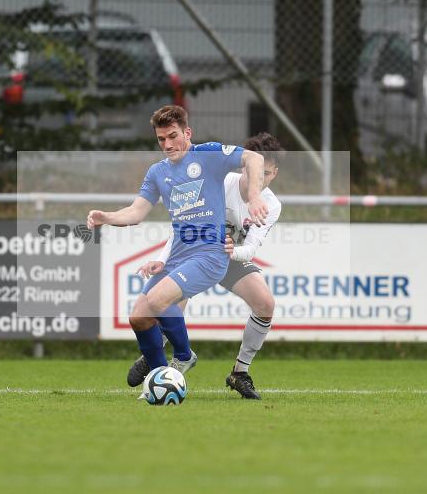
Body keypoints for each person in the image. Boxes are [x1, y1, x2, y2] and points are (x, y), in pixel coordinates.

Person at [87, 105, 268, 385]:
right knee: (139, 316)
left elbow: (254, 158)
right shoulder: (157, 172)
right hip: (178, 255)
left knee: (158, 301)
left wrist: (254, 196)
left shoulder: (207, 155)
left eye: (173, 136)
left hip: (210, 253)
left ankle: (183, 356)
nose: (168, 144)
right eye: (161, 139)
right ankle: (162, 379)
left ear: (187, 132)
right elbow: (136, 212)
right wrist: (107, 217)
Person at [129, 132, 284, 400]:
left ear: (274, 174)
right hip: (195, 254)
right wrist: (163, 260)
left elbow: (251, 247)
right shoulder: (221, 184)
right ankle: (158, 356)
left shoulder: (271, 204)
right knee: (166, 303)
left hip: (231, 257)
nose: (260, 179)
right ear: (244, 167)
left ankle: (240, 372)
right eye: (256, 172)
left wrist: (231, 251)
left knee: (266, 304)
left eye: (267, 174)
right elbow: (182, 231)